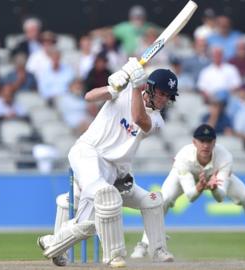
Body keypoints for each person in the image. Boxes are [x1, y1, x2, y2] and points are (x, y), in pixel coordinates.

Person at [37, 59, 177, 267]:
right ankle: (114, 255)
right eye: (162, 93)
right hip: (88, 152)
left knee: (150, 202)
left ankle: (52, 243)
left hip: (113, 169)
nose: (164, 99)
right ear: (151, 88)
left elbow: (139, 118)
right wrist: (113, 86)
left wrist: (135, 86)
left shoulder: (157, 121)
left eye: (168, 96)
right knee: (107, 198)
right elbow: (89, 97)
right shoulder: (127, 90)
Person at [130, 124, 245, 258]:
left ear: (214, 142)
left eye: (209, 141)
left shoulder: (225, 158)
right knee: (162, 200)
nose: (205, 145)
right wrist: (199, 187)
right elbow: (190, 196)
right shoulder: (183, 157)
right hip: (185, 176)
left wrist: (214, 187)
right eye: (201, 141)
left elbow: (220, 197)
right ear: (194, 142)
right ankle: (144, 244)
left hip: (214, 176)